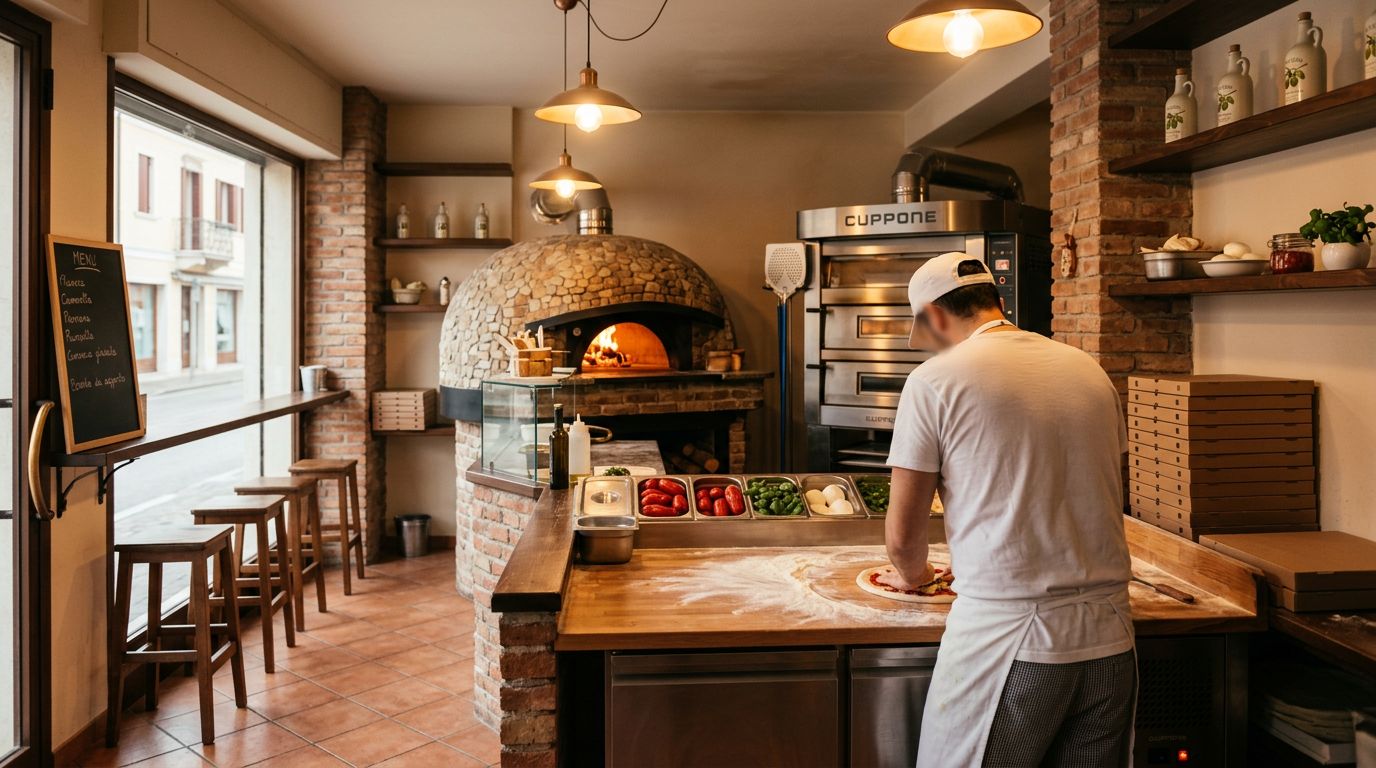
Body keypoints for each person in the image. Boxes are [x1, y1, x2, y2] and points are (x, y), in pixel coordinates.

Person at [881, 251, 1136, 767]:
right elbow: (1110, 488)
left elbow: (904, 539)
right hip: (1112, 638)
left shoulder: (935, 380)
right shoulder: (1088, 370)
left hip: (1010, 643)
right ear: (997, 302)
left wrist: (917, 574)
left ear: (933, 315)